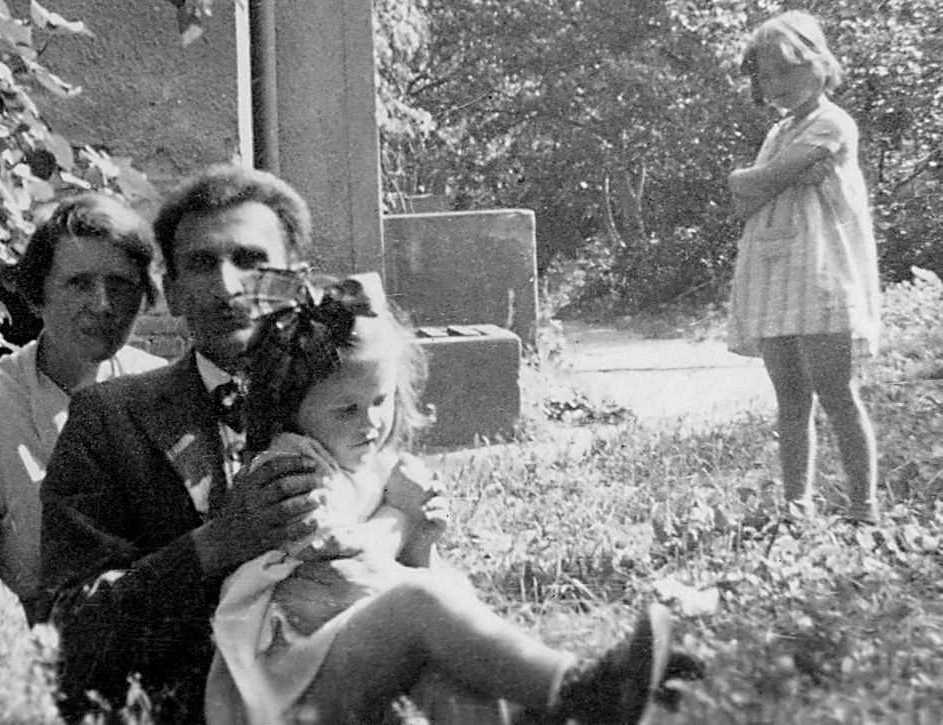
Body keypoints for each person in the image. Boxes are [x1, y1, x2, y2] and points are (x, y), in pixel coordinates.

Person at [203, 269, 702, 725]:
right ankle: (575, 692)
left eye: (381, 400)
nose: (371, 422)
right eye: (347, 410)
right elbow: (347, 569)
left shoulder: (369, 466)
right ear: (290, 409)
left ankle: (548, 712)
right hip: (278, 693)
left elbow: (396, 581)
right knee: (420, 603)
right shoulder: (289, 469)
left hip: (333, 667)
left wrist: (424, 540)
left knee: (450, 676)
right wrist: (402, 517)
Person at [37, 165, 329, 723]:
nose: (227, 286)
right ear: (171, 292)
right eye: (201, 264)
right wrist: (216, 544)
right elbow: (70, 633)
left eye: (250, 259)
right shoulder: (110, 419)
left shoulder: (349, 405)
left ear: (296, 280)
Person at [0, 193, 166, 624]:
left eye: (120, 284)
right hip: (60, 652)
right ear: (37, 296)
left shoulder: (163, 390)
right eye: (79, 283)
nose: (102, 304)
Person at [726, 10, 880, 523]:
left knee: (837, 393)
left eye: (788, 69)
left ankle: (864, 508)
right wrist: (756, 179)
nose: (777, 84)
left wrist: (760, 179)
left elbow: (767, 180)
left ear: (820, 63)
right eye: (766, 75)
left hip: (821, 275)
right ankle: (797, 507)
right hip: (774, 277)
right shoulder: (779, 131)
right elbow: (745, 199)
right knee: (791, 400)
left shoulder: (832, 123)